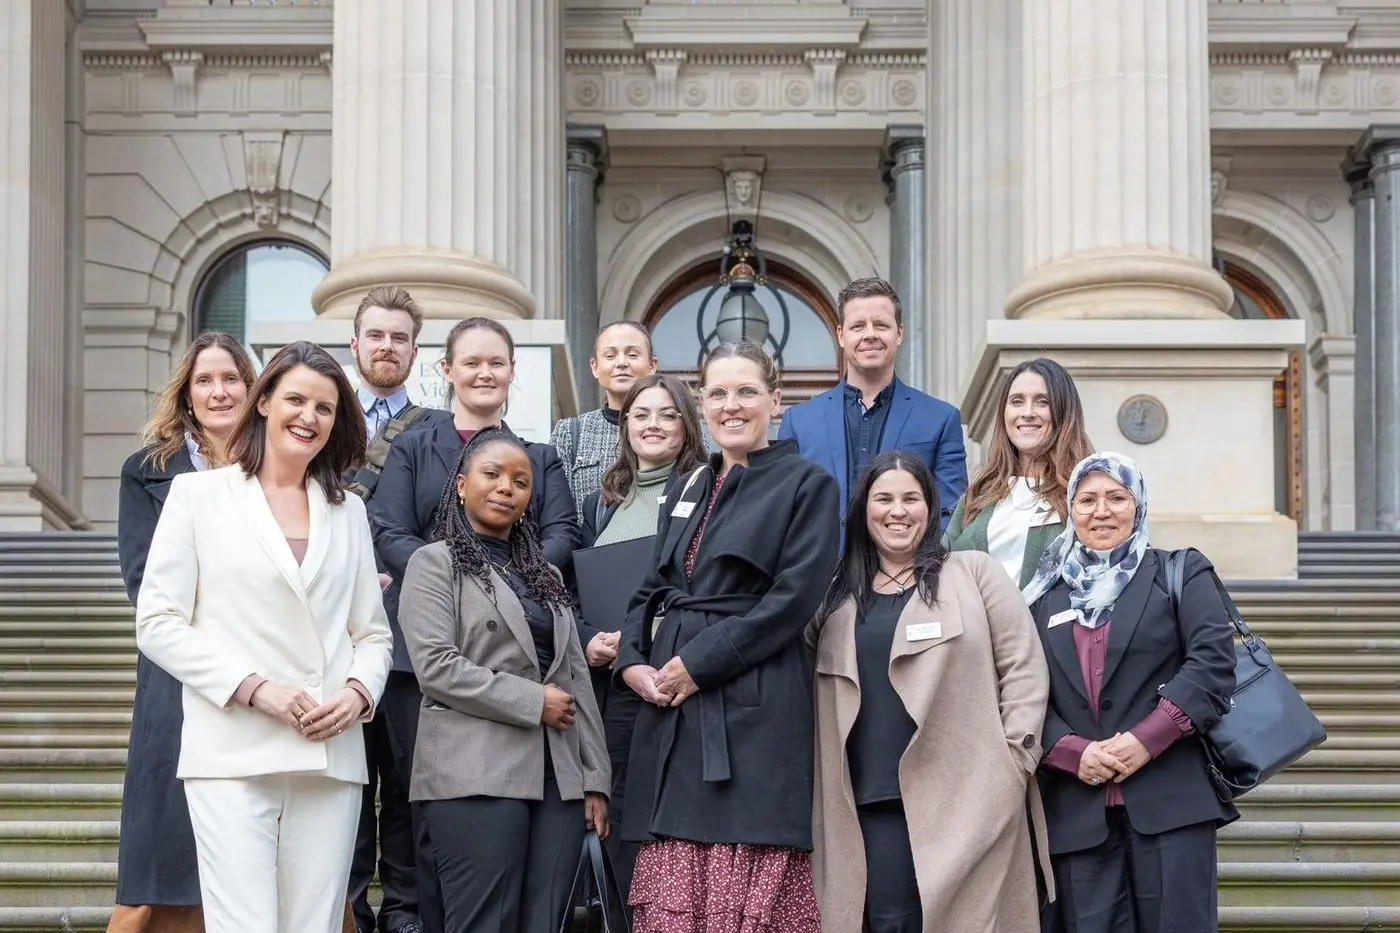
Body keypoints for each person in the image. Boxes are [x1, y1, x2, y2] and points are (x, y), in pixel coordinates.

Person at [134, 340, 394, 933]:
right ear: (263, 403)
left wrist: (358, 693)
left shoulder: (348, 511)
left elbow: (372, 634)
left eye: (325, 408)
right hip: (232, 749)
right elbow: (157, 622)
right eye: (296, 400)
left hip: (329, 752)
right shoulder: (198, 496)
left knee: (315, 925)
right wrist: (254, 688)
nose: (309, 417)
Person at [615, 341, 841, 932]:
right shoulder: (686, 487)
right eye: (717, 393)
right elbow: (650, 588)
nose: (731, 405)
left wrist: (699, 663)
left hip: (754, 706)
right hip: (671, 705)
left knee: (745, 897)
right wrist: (633, 662)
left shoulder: (807, 484)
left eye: (746, 392)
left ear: (775, 400)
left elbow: (793, 602)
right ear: (702, 403)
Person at [368, 316, 580, 933]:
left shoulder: (539, 456)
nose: (484, 373)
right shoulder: (413, 446)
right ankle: (408, 913)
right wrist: (455, 576)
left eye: (497, 362)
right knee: (418, 793)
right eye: (472, 362)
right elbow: (387, 529)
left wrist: (513, 577)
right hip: (426, 644)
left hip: (522, 643)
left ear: (513, 372)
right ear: (448, 370)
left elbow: (565, 532)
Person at [808, 451, 1052, 933]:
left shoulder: (974, 573)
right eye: (884, 499)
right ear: (863, 510)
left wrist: (1013, 763)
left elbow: (1023, 667)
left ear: (930, 507)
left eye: (911, 498)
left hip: (969, 804)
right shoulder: (835, 591)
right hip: (867, 808)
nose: (897, 511)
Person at [397, 427, 611, 933]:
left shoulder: (546, 576)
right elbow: (435, 667)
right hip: (474, 771)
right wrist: (532, 700)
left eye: (520, 481)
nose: (506, 488)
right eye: (492, 475)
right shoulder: (433, 565)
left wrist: (596, 780)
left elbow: (576, 680)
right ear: (461, 485)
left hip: (559, 778)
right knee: (483, 924)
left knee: (547, 923)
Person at [1023, 452, 1239, 933]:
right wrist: (1067, 750)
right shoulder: (1041, 596)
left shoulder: (1178, 572)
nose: (1102, 511)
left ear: (1137, 505)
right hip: (1077, 813)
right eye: (1088, 500)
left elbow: (1212, 664)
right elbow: (1023, 689)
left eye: (1116, 498)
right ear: (1071, 510)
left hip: (1171, 800)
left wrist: (1147, 738)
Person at [112, 332, 256, 933]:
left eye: (231, 379)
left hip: (262, 670)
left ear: (252, 391)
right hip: (178, 673)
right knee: (165, 840)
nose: (219, 391)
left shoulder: (274, 466)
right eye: (205, 381)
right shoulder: (146, 471)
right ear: (187, 395)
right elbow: (144, 581)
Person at [575, 373, 708, 900]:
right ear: (624, 423)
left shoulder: (707, 492)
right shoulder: (599, 504)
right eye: (641, 414)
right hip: (615, 687)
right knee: (621, 815)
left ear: (687, 425)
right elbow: (571, 594)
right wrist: (590, 641)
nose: (653, 425)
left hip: (678, 680)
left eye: (667, 414)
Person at [344, 285, 431, 933]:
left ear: (415, 350)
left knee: (402, 782)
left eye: (399, 337)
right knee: (346, 783)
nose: (386, 346)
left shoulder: (434, 429)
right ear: (355, 343)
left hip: (407, 633)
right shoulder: (323, 420)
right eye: (376, 335)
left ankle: (401, 908)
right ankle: (346, 907)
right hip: (333, 632)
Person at [778, 276, 967, 527]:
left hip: (909, 565)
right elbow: (784, 511)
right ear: (841, 335)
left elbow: (949, 517)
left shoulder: (941, 419)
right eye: (858, 326)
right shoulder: (797, 423)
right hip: (821, 566)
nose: (870, 335)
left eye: (880, 325)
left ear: (899, 333)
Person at [944, 358, 1093, 589]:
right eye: (1017, 401)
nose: (1028, 413)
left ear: (1063, 412)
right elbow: (942, 567)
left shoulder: (1085, 493)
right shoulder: (978, 496)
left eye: (1042, 402)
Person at [551, 321, 658, 519]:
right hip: (589, 547)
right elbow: (555, 514)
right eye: (610, 356)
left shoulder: (680, 428)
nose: (622, 363)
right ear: (595, 367)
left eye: (633, 354)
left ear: (652, 365)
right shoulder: (570, 432)